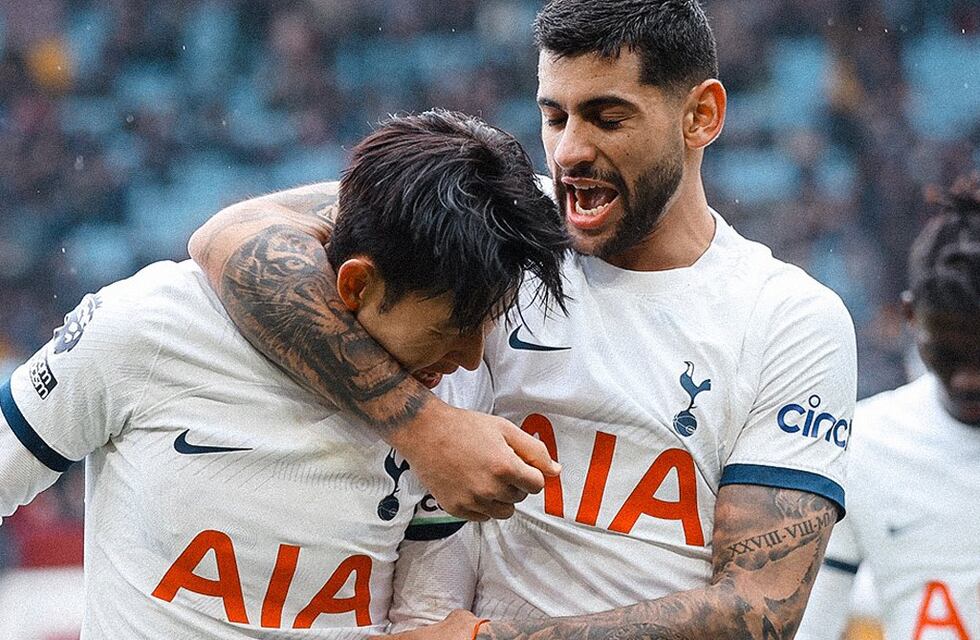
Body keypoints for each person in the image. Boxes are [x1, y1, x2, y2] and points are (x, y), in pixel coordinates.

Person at [189, 1, 858, 638]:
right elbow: (229, 238)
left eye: (607, 117)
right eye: (555, 116)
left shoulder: (788, 320)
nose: (569, 150)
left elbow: (758, 612)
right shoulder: (501, 230)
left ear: (701, 115)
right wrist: (423, 427)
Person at [0, 109, 570, 638]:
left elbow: (417, 620)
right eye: (450, 329)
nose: (473, 359)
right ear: (356, 285)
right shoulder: (149, 328)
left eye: (487, 327)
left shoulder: (458, 405)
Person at [797, 175, 980, 640]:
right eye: (949, 353)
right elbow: (810, 627)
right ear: (909, 316)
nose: (968, 379)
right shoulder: (863, 445)